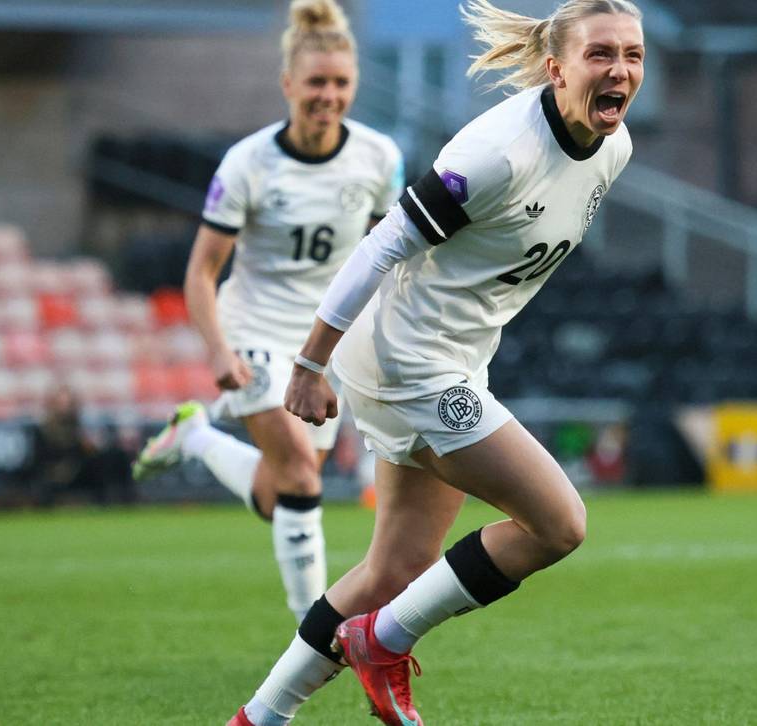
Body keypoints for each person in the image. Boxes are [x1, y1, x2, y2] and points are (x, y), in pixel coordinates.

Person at [227, 1, 643, 724]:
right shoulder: (499, 152)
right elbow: (384, 244)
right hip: (409, 362)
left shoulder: (615, 147)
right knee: (558, 524)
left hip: (448, 357)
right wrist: (308, 363)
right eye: (600, 53)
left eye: (633, 55)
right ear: (556, 68)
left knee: (395, 568)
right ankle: (383, 643)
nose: (620, 70)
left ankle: (257, 718)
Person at [131, 0, 405, 623]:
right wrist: (218, 350)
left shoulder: (379, 158)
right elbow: (200, 272)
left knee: (275, 491)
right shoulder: (249, 163)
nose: (328, 96)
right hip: (251, 330)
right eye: (316, 82)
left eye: (340, 83)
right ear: (288, 84)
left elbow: (384, 255)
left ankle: (195, 437)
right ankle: (315, 630)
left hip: (321, 341)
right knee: (304, 483)